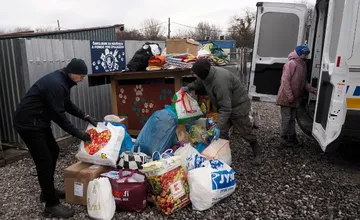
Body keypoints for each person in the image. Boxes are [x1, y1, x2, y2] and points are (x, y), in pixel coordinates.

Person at [13, 58, 97, 218]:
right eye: (81, 76)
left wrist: (85, 116)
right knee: (44, 160)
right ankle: (51, 205)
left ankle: (48, 192)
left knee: (54, 150)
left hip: (39, 121)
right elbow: (59, 116)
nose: (82, 80)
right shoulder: (56, 84)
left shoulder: (63, 81)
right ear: (72, 74)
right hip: (28, 123)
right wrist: (78, 134)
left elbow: (67, 105)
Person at [183, 59, 262, 165]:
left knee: (245, 131)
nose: (195, 76)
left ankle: (257, 152)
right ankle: (224, 153)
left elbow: (226, 108)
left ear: (203, 73)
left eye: (196, 74)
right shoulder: (207, 75)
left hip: (238, 105)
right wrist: (188, 87)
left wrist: (218, 127)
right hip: (226, 105)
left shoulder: (220, 83)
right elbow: (199, 82)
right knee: (223, 132)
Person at [276, 45, 317, 147]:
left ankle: (292, 137)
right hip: (286, 96)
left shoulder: (302, 65)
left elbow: (303, 82)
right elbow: (285, 81)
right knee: (287, 118)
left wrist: (313, 90)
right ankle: (283, 138)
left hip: (295, 97)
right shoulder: (291, 64)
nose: (306, 56)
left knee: (292, 118)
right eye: (305, 54)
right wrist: (289, 95)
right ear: (300, 53)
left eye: (307, 54)